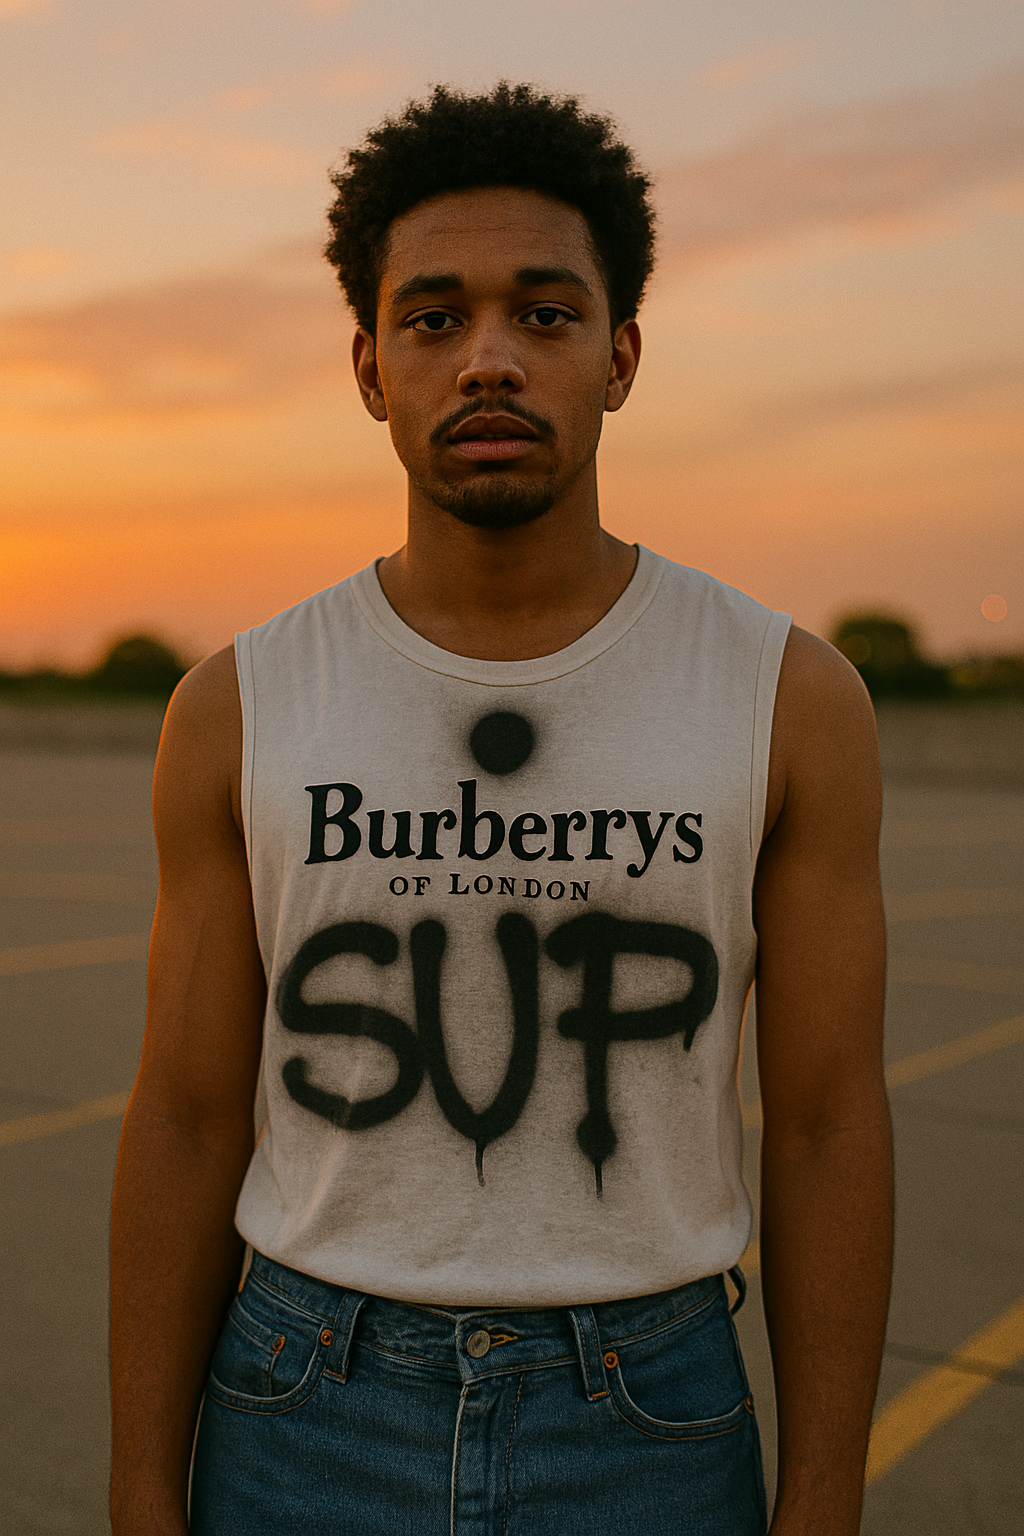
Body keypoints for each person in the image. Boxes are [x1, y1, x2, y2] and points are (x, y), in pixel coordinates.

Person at [109, 83, 893, 1536]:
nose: (486, 359)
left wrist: (826, 1496)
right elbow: (187, 1113)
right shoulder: (239, 703)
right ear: (368, 365)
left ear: (622, 354)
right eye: (432, 318)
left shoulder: (789, 696)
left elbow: (832, 1122)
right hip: (301, 1409)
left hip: (650, 1420)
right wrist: (143, 1488)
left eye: (543, 315)